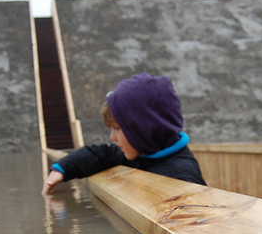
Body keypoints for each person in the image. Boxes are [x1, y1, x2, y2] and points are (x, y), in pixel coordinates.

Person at [42, 73, 206, 195]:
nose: (112, 137)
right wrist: (61, 169)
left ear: (143, 129)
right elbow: (101, 154)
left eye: (117, 128)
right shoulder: (144, 153)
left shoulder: (181, 179)